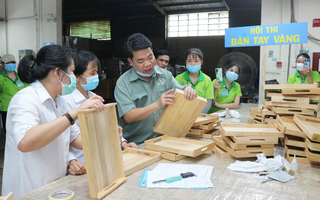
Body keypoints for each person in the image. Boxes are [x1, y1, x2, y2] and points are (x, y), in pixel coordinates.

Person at [1, 45, 105, 197]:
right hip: (28, 188)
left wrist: (105, 134)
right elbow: (25, 141)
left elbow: (75, 138)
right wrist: (73, 114)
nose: (72, 77)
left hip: (55, 184)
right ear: (57, 72)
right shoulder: (26, 98)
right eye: (70, 71)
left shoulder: (61, 101)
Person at [63, 50, 138, 175]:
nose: (96, 76)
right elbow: (68, 137)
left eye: (97, 72)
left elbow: (108, 126)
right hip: (81, 163)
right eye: (92, 73)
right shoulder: (67, 101)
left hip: (101, 158)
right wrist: (72, 160)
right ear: (76, 77)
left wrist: (123, 142)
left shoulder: (94, 97)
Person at [114, 33, 197, 145]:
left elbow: (181, 92)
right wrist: (157, 104)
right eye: (141, 61)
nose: (148, 64)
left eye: (150, 57)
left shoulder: (165, 75)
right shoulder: (123, 83)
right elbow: (129, 116)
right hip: (136, 144)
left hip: (164, 139)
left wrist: (189, 90)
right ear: (130, 61)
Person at [175, 48, 214, 113]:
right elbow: (175, 99)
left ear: (201, 62)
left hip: (200, 116)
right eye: (189, 61)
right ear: (186, 62)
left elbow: (208, 103)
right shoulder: (178, 78)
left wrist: (196, 116)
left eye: (196, 61)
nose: (192, 64)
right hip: (182, 114)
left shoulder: (207, 80)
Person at [0, 54, 27, 135]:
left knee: (21, 130)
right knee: (9, 132)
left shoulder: (21, 77)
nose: (11, 64)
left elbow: (26, 90)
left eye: (13, 62)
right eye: (8, 63)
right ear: (3, 65)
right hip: (7, 109)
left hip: (21, 108)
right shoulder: (1, 78)